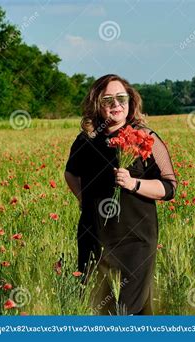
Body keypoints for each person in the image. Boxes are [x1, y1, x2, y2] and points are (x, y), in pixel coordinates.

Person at [64, 74, 177, 315]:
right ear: (97, 104)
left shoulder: (146, 138)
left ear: (130, 101)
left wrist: (133, 184)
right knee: (98, 308)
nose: (116, 104)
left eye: (121, 98)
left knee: (126, 311)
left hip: (136, 239)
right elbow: (70, 174)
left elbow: (169, 187)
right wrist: (86, 201)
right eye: (108, 99)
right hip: (93, 236)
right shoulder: (87, 140)